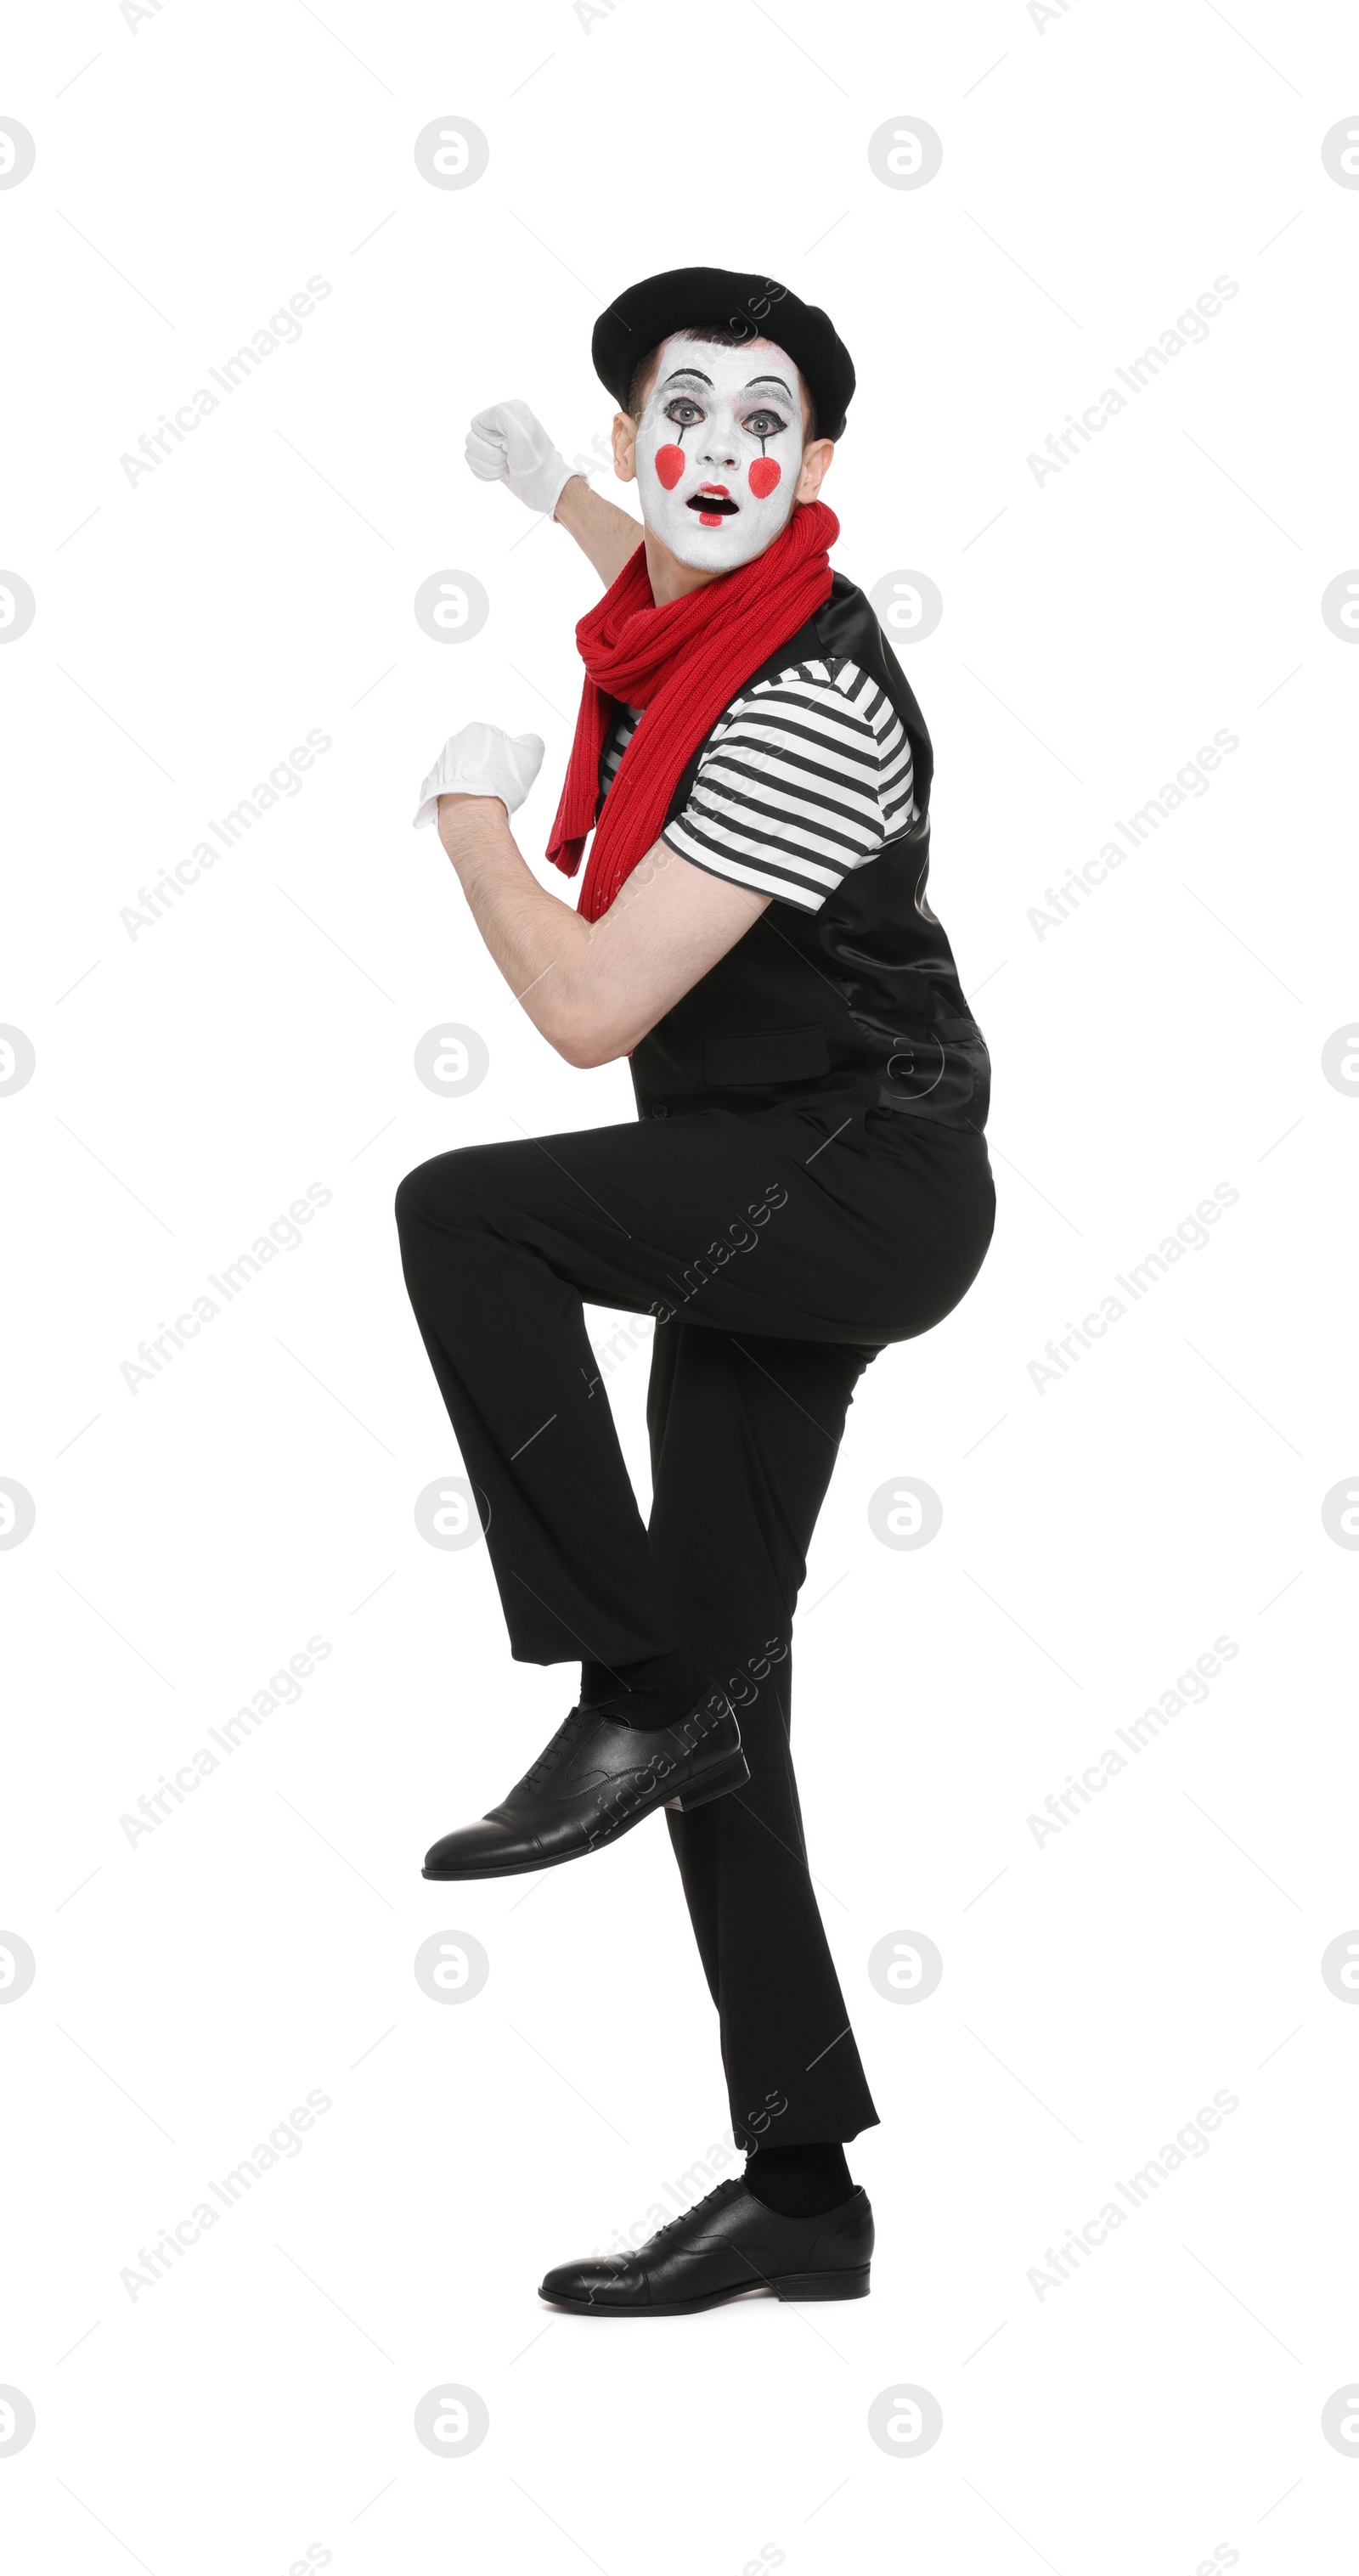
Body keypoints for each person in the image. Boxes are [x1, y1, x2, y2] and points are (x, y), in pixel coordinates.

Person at [395, 266, 995, 2315]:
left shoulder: (807, 701)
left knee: (464, 1210)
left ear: (818, 469)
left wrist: (472, 817)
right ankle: (800, 2184)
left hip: (860, 1175)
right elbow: (662, 567)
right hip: (761, 1181)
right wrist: (550, 495)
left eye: (761, 427)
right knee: (735, 1702)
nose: (713, 457)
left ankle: (618, 1684)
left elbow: (580, 1007)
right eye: (676, 419)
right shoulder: (697, 594)